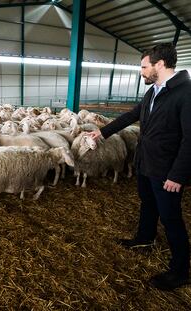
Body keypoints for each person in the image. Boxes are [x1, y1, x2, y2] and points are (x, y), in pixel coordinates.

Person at [87, 43, 190, 291]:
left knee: (171, 218)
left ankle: (180, 270)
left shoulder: (185, 93)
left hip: (167, 170)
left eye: (144, 66)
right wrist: (102, 132)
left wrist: (177, 175)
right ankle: (145, 238)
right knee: (147, 202)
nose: (141, 71)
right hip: (146, 162)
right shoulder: (154, 90)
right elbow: (133, 115)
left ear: (160, 65)